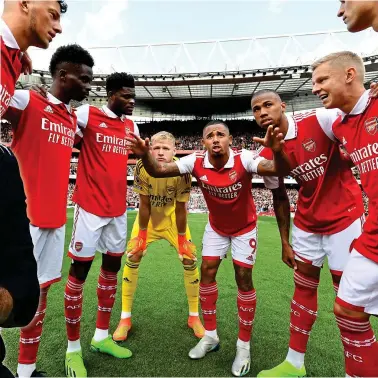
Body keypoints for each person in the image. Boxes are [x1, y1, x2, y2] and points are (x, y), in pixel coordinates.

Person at [124, 120, 290, 377]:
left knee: (243, 278)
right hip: (217, 228)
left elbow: (278, 168)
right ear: (203, 142)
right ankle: (210, 336)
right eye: (210, 135)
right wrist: (144, 153)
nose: (215, 139)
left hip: (245, 228)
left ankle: (243, 346)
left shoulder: (244, 159)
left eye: (220, 134)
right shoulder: (194, 162)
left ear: (230, 139)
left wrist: (277, 151)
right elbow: (157, 171)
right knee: (207, 271)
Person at [250, 89, 365, 377]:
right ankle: (294, 363)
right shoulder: (264, 153)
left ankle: (356, 371)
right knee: (302, 288)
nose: (262, 112)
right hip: (306, 224)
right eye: (256, 109)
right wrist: (284, 242)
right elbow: (279, 198)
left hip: (344, 220)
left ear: (283, 106)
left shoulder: (320, 119)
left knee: (347, 300)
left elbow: (357, 124)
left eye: (268, 105)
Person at [4, 44, 94, 378]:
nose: (88, 86)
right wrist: (14, 69)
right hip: (20, 221)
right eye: (83, 79)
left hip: (55, 221)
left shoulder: (71, 118)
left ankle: (26, 371)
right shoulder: (29, 101)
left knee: (38, 296)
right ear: (62, 75)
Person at [1, 2, 66, 377]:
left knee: (27, 294)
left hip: (43, 216)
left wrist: (18, 54)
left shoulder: (10, 62)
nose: (58, 24)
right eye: (54, 12)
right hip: (27, 214)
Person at [64, 72, 138, 378]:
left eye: (133, 95)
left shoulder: (132, 126)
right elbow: (65, 135)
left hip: (118, 210)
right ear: (110, 94)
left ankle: (100, 337)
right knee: (79, 272)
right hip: (90, 208)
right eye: (125, 95)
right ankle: (72, 350)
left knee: (111, 269)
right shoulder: (87, 114)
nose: (131, 100)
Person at [312, 50, 378, 377]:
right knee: (347, 309)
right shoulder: (341, 126)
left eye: (322, 79)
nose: (314, 88)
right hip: (373, 234)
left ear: (350, 75)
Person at [113, 131, 205, 342]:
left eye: (165, 148)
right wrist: (142, 235)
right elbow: (144, 205)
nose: (161, 152)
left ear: (174, 150)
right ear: (150, 148)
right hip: (149, 220)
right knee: (133, 256)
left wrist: (182, 239)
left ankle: (193, 317)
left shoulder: (182, 171)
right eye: (156, 148)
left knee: (190, 259)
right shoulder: (141, 166)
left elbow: (182, 208)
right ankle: (125, 319)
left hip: (173, 220)